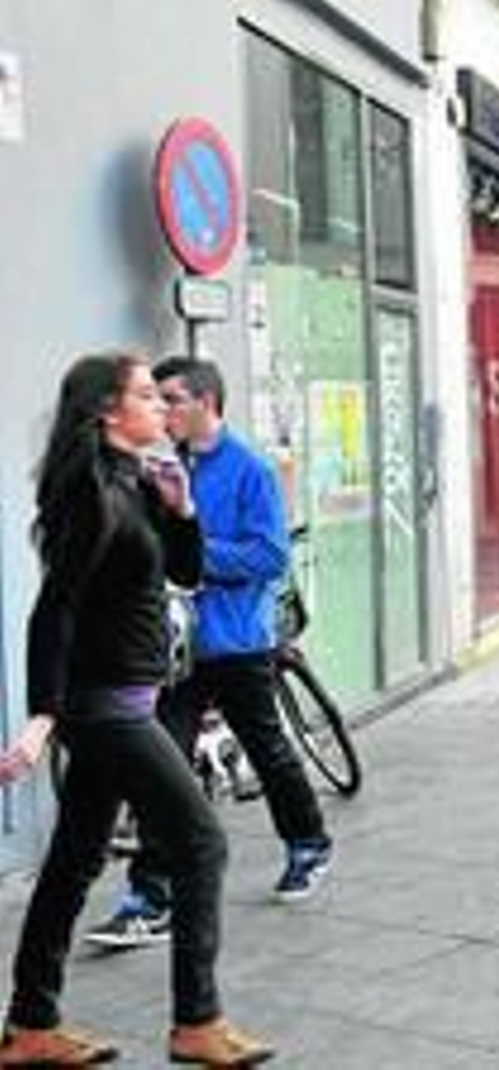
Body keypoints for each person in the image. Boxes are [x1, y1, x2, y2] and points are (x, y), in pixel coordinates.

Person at [0, 352, 273, 1066]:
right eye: (148, 395)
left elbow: (184, 573)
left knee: (74, 860)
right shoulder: (93, 495)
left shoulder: (141, 482)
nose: (163, 406)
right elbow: (53, 612)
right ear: (107, 413)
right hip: (106, 709)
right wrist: (41, 718)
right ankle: (196, 1023)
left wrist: (182, 510)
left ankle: (30, 1026)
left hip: (126, 700)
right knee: (201, 843)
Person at [86, 357, 331, 950]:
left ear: (205, 403)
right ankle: (151, 896)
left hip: (236, 644)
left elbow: (269, 556)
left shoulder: (250, 470)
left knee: (269, 750)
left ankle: (308, 843)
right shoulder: (157, 468)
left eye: (171, 399)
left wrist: (192, 557)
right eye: (156, 399)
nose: (162, 410)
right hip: (173, 653)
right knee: (159, 768)